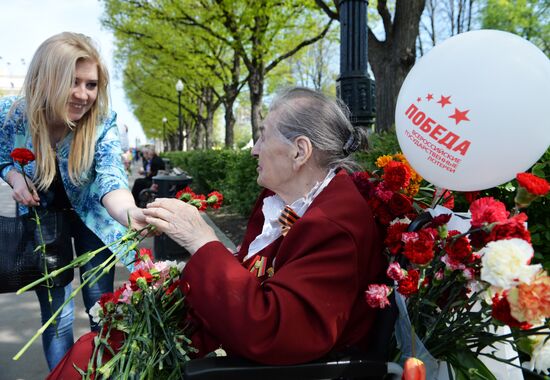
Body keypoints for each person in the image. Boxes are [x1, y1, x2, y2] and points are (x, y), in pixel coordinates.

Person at [48, 87, 386, 377]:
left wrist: (202, 241)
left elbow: (276, 332)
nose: (254, 148)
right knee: (93, 348)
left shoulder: (334, 224)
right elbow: (257, 274)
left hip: (266, 368)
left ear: (300, 151)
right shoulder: (289, 200)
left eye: (263, 135)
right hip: (232, 342)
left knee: (91, 358)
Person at [0, 32, 147, 370]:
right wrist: (13, 176)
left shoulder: (101, 123)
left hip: (94, 220)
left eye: (91, 84)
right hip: (41, 221)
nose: (83, 95)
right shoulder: (11, 115)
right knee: (57, 318)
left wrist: (130, 214)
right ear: (48, 79)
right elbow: (0, 157)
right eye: (73, 82)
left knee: (102, 309)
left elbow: (111, 178)